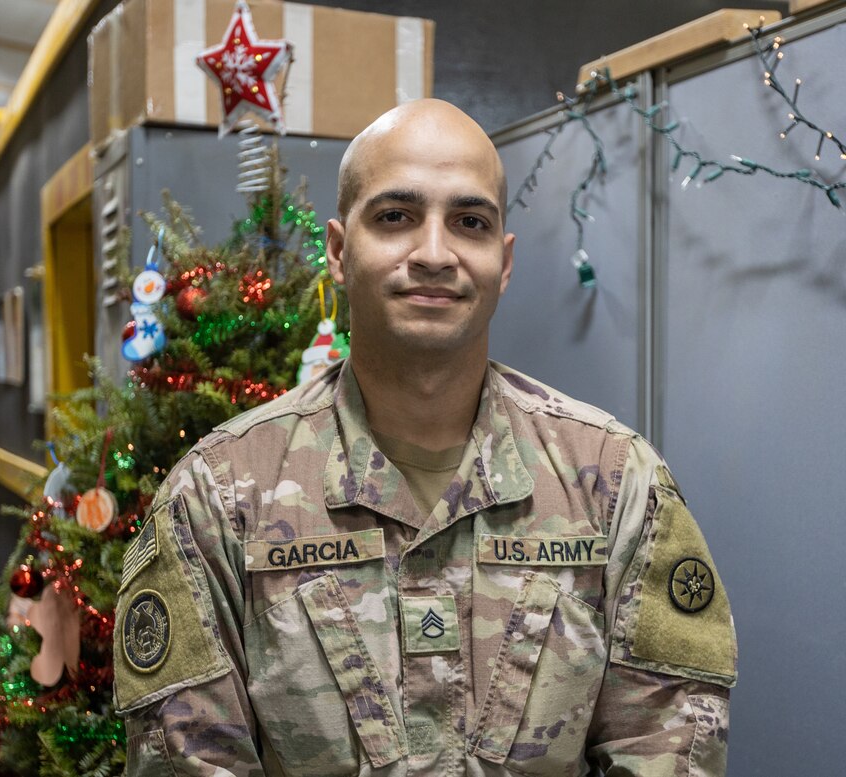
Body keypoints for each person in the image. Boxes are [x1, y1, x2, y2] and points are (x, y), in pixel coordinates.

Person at [112, 99, 737, 776]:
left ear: (504, 261)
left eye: (469, 222)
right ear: (340, 250)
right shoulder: (221, 495)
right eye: (396, 216)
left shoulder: (613, 480)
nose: (435, 253)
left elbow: (666, 748)